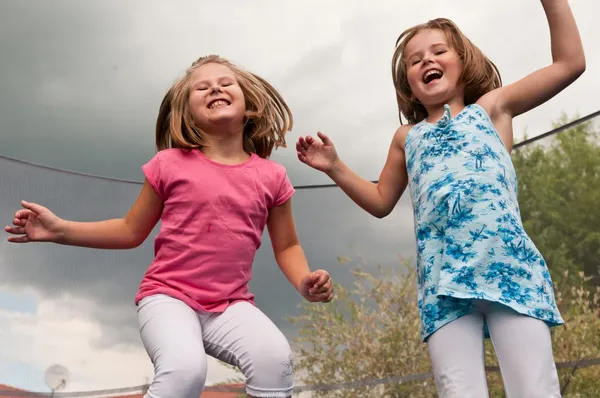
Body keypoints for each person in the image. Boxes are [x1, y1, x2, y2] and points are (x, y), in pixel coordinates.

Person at [296, 1, 585, 396]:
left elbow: (570, 63)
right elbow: (382, 201)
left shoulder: (492, 110)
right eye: (415, 60)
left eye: (438, 51)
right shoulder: (407, 138)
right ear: (408, 83)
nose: (426, 60)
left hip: (509, 271)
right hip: (442, 286)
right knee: (458, 390)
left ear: (464, 62)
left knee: (535, 388)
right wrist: (335, 166)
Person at [5, 55, 334, 398]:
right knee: (185, 370)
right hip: (168, 298)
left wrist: (303, 280)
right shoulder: (170, 165)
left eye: (225, 83)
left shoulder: (272, 177)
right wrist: (59, 230)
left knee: (275, 360)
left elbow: (287, 246)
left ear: (249, 103)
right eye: (202, 87)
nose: (215, 88)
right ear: (187, 113)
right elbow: (130, 230)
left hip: (230, 304)